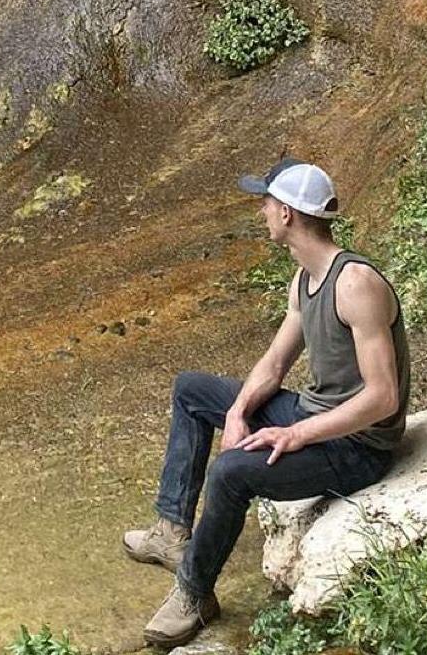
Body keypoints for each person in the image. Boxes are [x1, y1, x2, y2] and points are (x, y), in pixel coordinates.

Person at [124, 161, 411, 648]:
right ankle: (172, 531)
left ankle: (195, 594)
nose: (261, 211)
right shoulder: (305, 280)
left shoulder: (355, 284)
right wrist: (237, 413)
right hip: (315, 414)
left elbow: (382, 398)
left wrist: (293, 434)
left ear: (287, 214)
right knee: (192, 390)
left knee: (231, 472)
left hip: (358, 447)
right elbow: (275, 363)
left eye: (266, 203)